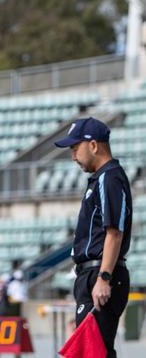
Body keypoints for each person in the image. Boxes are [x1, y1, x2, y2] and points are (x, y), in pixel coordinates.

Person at [54, 117, 132, 358]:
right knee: (93, 351)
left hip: (100, 274)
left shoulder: (109, 177)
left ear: (94, 145)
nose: (73, 156)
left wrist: (104, 277)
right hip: (92, 275)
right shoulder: (101, 179)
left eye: (75, 148)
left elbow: (114, 232)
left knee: (93, 352)